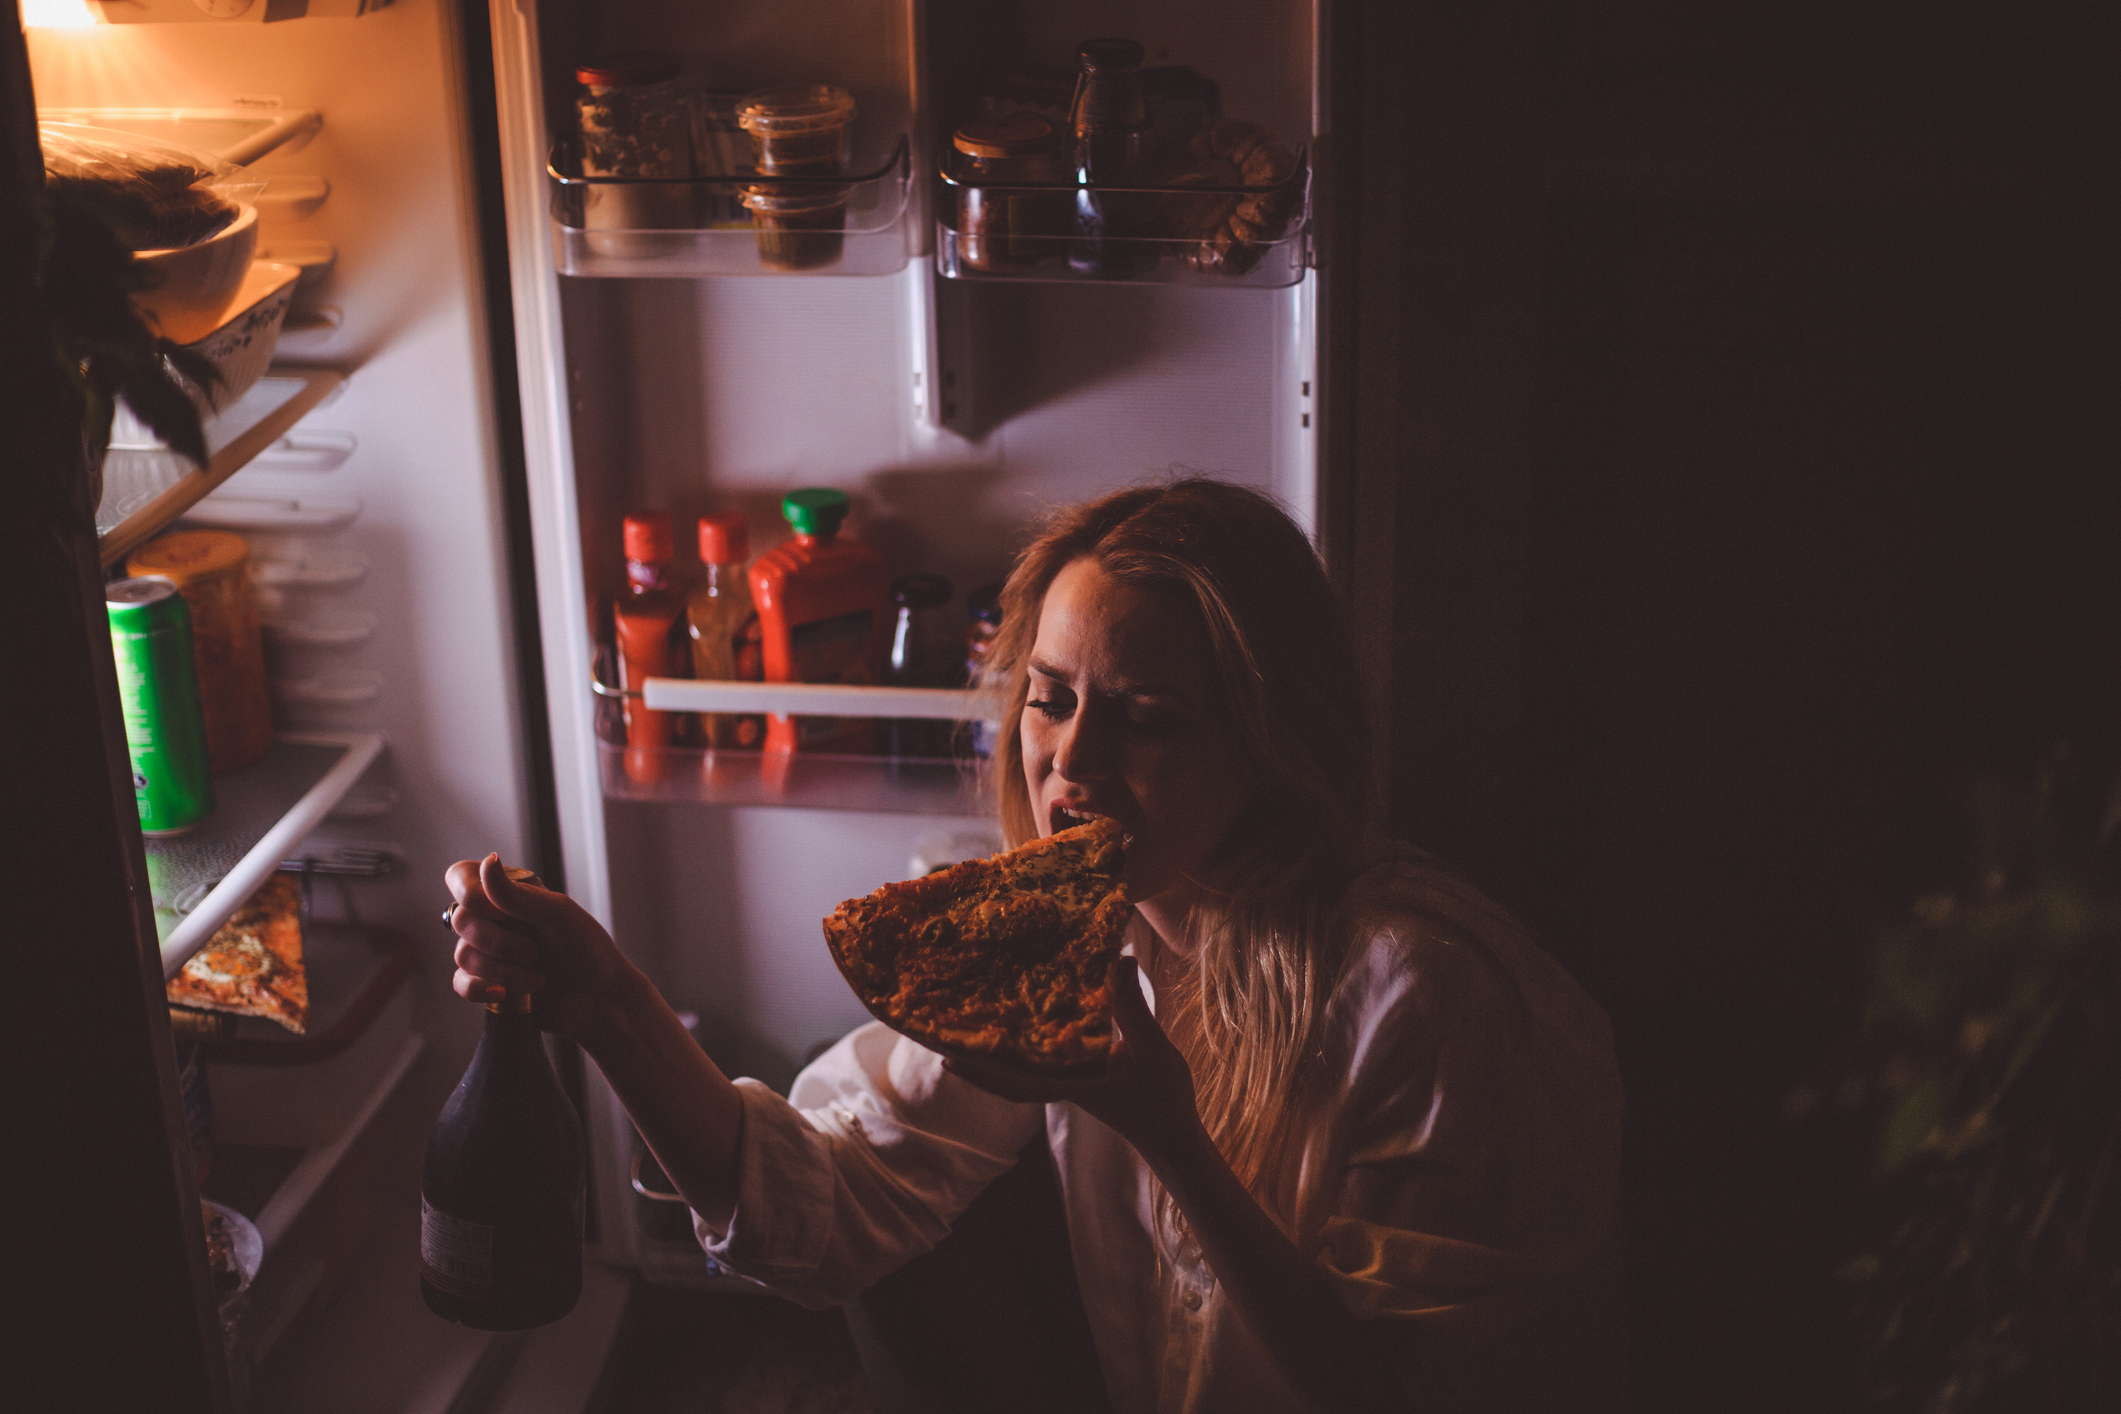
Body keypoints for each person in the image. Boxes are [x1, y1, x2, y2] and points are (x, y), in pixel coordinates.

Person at [446, 479, 1625, 1414]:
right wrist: (608, 1005)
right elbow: (817, 1205)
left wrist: (1168, 1131)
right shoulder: (1072, 938)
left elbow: (1403, 1395)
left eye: (1149, 718)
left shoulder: (1431, 1005)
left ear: (1271, 740)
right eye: (1052, 698)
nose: (1074, 759)